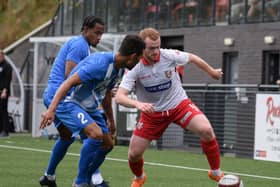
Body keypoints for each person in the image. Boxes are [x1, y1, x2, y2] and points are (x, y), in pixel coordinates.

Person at [115, 28, 224, 187]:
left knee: (206, 130)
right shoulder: (135, 68)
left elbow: (192, 58)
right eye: (151, 48)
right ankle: (139, 177)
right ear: (141, 48)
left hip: (179, 105)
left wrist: (212, 72)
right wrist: (138, 104)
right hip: (152, 114)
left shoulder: (168, 55)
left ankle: (215, 172)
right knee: (134, 154)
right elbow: (119, 96)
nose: (156, 51)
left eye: (158, 46)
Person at [40, 34, 145, 187]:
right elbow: (68, 82)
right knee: (95, 134)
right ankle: (80, 182)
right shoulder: (100, 64)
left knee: (108, 143)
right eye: (139, 58)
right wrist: (51, 109)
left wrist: (111, 120)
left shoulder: (119, 69)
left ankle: (85, 177)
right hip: (70, 101)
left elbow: (107, 95)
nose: (139, 62)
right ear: (133, 56)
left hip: (88, 106)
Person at [39, 15, 109, 187]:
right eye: (96, 33)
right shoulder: (80, 46)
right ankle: (91, 179)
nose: (99, 37)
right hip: (62, 98)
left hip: (54, 95)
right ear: (85, 30)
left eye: (101, 34)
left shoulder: (80, 44)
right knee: (93, 134)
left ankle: (49, 176)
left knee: (66, 137)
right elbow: (69, 76)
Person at [0, 50, 12, 138]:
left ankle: (5, 130)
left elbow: (7, 80)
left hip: (3, 92)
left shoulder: (7, 66)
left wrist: (5, 90)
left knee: (3, 111)